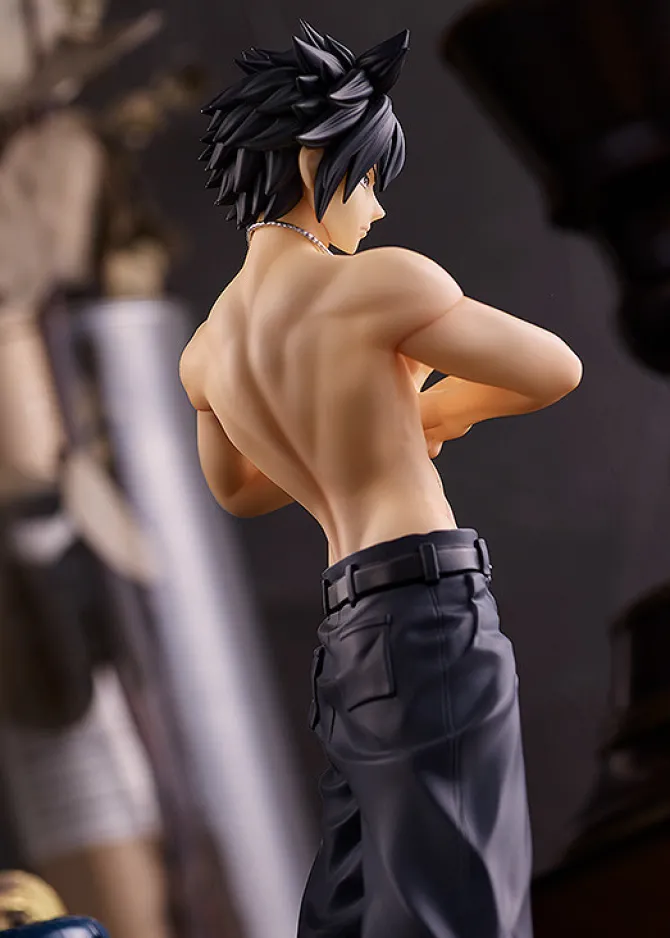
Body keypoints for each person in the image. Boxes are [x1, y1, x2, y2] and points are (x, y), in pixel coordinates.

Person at [180, 20, 582, 938]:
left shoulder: (208, 348)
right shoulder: (377, 285)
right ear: (315, 162)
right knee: (460, 901)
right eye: (367, 179)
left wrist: (353, 436)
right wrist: (431, 415)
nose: (378, 211)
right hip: (425, 609)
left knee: (358, 900)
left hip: (347, 634)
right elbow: (554, 368)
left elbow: (239, 490)